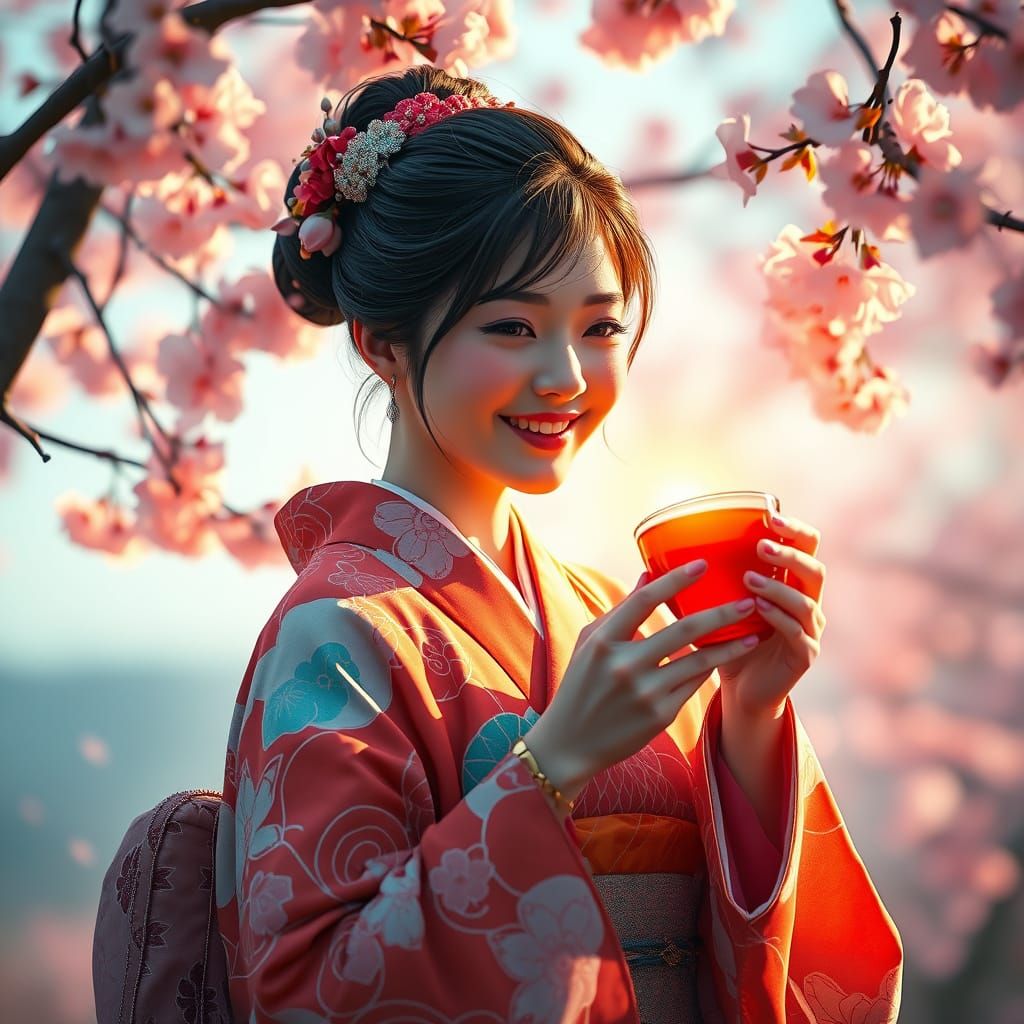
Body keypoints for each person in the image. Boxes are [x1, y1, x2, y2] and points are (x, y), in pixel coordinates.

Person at [214, 65, 903, 1023]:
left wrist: (747, 722)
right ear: (379, 341)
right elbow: (312, 995)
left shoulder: (596, 607)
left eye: (600, 327)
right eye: (511, 326)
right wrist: (554, 765)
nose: (565, 376)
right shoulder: (336, 636)